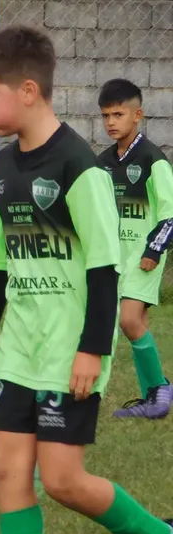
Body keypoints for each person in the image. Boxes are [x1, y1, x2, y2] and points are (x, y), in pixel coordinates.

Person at [0, 25, 173, 534]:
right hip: (21, 351)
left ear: (28, 90)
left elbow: (105, 270)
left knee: (66, 481)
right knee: (6, 470)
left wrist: (92, 352)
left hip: (69, 352)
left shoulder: (81, 166)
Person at [97, 78, 173, 419]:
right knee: (132, 322)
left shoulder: (153, 160)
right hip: (115, 257)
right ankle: (154, 398)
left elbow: (170, 214)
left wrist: (153, 251)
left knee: (128, 319)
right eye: (105, 116)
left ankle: (160, 392)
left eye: (118, 114)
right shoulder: (101, 164)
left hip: (144, 255)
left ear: (137, 115)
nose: (111, 122)